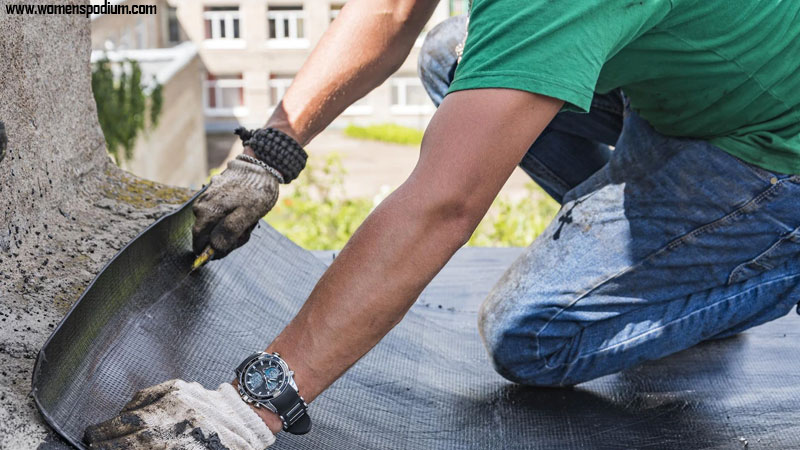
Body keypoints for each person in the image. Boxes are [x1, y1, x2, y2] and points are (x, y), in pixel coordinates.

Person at [84, 0, 800, 447]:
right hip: (698, 81)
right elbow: (393, 10)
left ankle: (749, 253)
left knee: (534, 336)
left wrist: (253, 406)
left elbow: (445, 205)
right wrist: (269, 155)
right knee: (452, 56)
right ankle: (671, 248)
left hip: (767, 148)